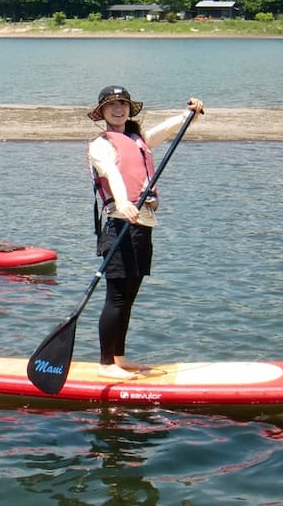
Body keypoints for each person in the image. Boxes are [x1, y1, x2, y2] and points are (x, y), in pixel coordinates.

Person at [86, 85, 204, 379]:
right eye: (112, 105)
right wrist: (124, 202)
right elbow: (111, 172)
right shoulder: (101, 145)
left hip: (144, 224)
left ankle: (119, 357)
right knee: (115, 296)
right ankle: (105, 365)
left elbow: (165, 131)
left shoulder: (138, 140)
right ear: (101, 112)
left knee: (130, 294)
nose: (118, 109)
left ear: (129, 108)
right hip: (118, 222)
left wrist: (190, 114)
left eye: (123, 104)